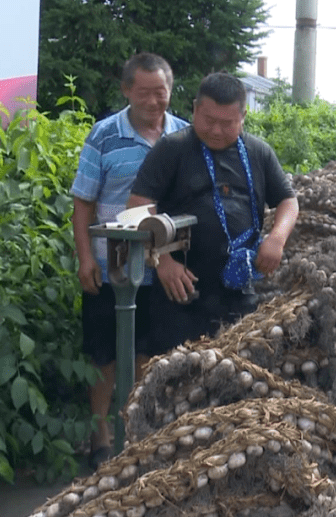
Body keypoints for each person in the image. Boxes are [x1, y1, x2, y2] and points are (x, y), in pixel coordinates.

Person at [71, 52, 189, 467]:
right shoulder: (105, 136)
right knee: (104, 353)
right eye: (145, 94)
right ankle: (100, 434)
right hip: (110, 267)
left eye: (162, 93)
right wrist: (85, 258)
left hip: (167, 269)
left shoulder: (185, 136)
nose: (156, 102)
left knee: (149, 351)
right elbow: (83, 202)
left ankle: (137, 429)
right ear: (126, 91)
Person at [126, 72, 299, 354]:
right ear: (195, 109)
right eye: (209, 121)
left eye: (227, 123)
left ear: (243, 116)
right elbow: (137, 205)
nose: (217, 131)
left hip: (239, 290)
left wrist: (277, 239)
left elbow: (288, 202)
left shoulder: (259, 152)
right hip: (181, 291)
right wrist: (162, 260)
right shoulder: (172, 149)